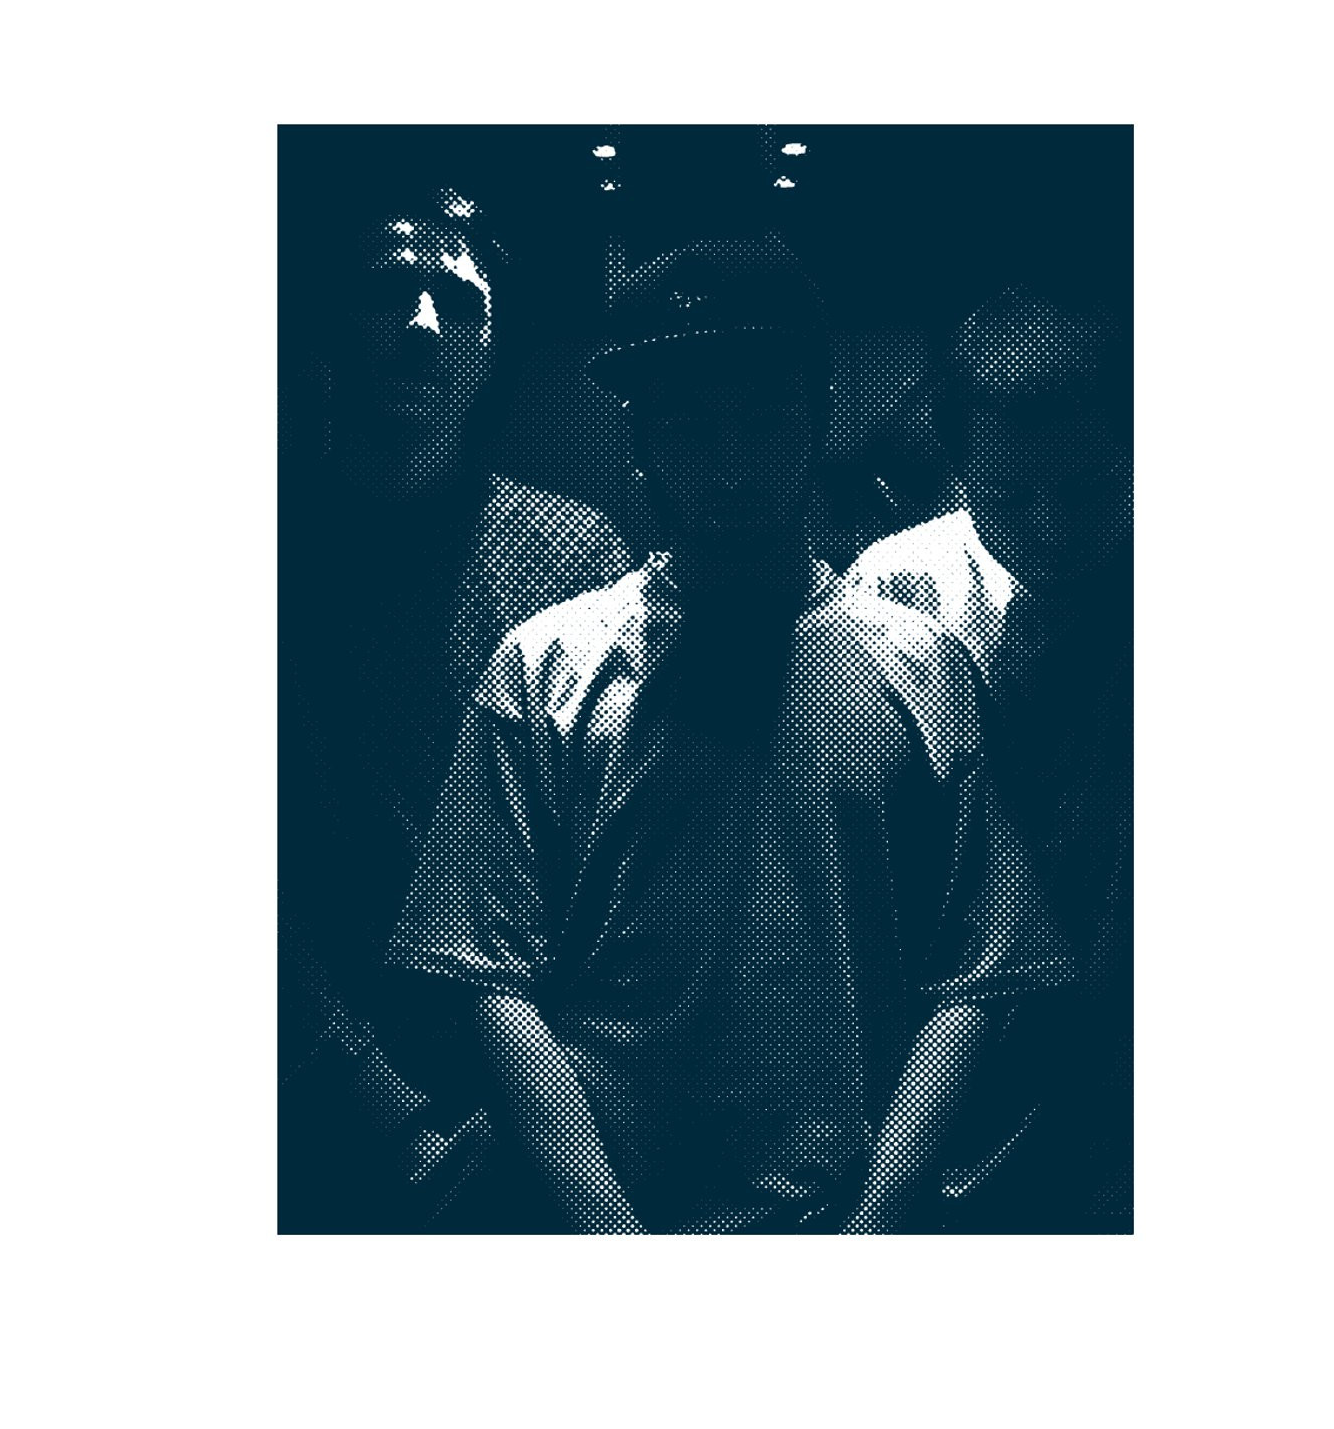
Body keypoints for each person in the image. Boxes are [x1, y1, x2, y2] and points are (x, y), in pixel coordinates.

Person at [381, 237, 1074, 1234]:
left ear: (818, 418)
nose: (731, 465)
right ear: (641, 440)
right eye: (690, 426)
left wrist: (876, 1228)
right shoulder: (546, 670)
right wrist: (609, 1235)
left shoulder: (924, 668)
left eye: (764, 420)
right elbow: (489, 978)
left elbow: (978, 973)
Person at [279, 179, 634, 1231]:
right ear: (326, 324)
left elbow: (631, 852)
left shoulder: (574, 555)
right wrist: (381, 1113)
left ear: (493, 343)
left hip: (560, 1094)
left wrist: (556, 1100)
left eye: (462, 301)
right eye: (390, 291)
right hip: (320, 1114)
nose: (425, 326)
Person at [848, 284, 1133, 1229]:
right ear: (960, 474)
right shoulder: (903, 591)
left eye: (1092, 490)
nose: (1052, 532)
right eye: (1007, 499)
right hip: (942, 1085)